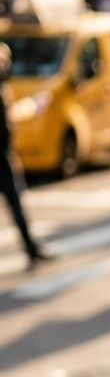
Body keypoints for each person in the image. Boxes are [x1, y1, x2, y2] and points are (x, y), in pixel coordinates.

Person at [0, 43, 52, 267]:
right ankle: (31, 248)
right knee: (16, 205)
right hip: (3, 158)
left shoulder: (3, 89)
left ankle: (31, 248)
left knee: (17, 206)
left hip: (5, 158)